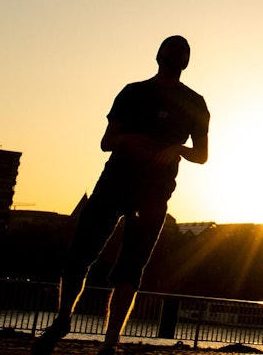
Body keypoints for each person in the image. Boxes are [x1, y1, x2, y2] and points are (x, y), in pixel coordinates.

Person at [32, 36, 209, 355]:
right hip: (115, 180)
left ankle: (110, 341)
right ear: (158, 54)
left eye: (184, 49)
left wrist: (177, 149)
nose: (178, 51)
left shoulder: (195, 103)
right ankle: (62, 319)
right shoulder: (133, 92)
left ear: (187, 61)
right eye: (172, 46)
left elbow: (202, 155)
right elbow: (106, 141)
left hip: (155, 191)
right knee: (81, 253)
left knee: (132, 264)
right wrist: (130, 139)